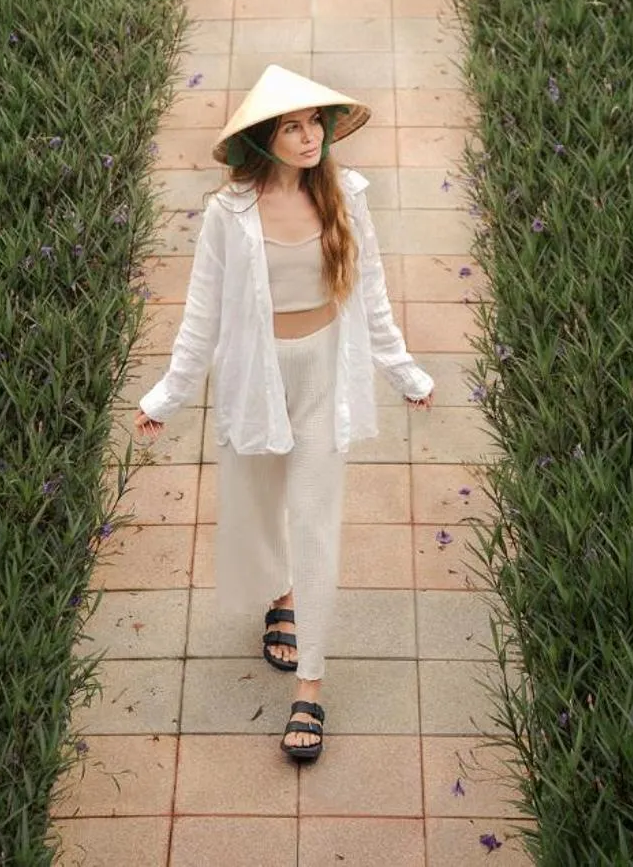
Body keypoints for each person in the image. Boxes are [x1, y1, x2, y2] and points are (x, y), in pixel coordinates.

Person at [133, 64, 434, 764]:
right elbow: (202, 318)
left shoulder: (348, 197)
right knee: (260, 509)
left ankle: (310, 687)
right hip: (256, 380)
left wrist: (406, 372)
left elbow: (374, 298)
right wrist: (165, 397)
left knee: (315, 521)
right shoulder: (227, 215)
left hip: (325, 377)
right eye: (292, 126)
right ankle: (281, 593)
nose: (309, 137)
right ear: (265, 139)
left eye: (315, 124)